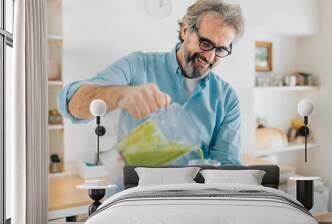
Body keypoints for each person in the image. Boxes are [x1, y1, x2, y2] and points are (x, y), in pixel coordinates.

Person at [58, 0, 245, 165]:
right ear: (185, 30)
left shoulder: (226, 98)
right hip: (134, 196)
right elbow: (71, 104)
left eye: (220, 50)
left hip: (193, 201)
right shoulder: (139, 66)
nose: (210, 57)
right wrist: (121, 95)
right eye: (205, 43)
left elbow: (227, 168)